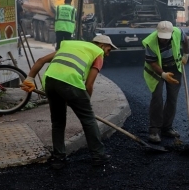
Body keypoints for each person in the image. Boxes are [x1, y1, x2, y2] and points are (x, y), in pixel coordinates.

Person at [20, 35, 117, 169]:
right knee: (88, 120)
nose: (108, 53)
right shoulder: (98, 53)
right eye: (108, 50)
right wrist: (85, 103)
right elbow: (89, 84)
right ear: (101, 45)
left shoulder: (70, 46)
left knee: (58, 121)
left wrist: (30, 78)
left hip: (50, 82)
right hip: (71, 83)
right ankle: (99, 156)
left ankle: (59, 158)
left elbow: (41, 60)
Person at [142, 20, 189, 143]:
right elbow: (152, 62)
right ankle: (154, 131)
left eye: (166, 38)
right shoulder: (150, 42)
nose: (164, 40)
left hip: (174, 67)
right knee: (157, 98)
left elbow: (186, 40)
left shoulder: (178, 32)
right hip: (157, 70)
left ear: (172, 32)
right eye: (161, 38)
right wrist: (163, 74)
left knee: (172, 98)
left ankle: (166, 127)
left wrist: (186, 54)